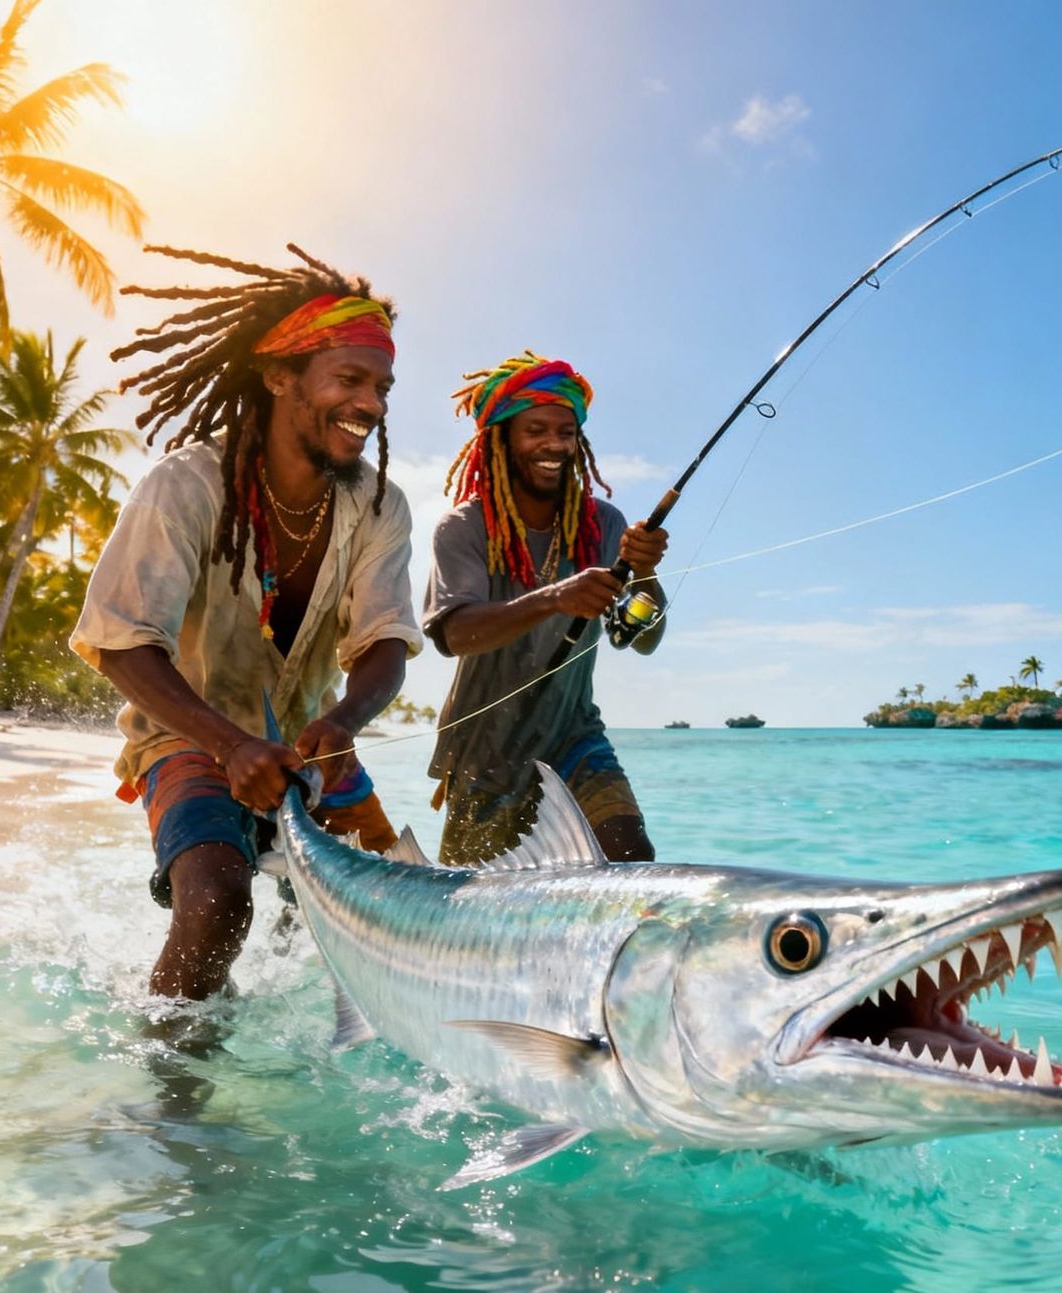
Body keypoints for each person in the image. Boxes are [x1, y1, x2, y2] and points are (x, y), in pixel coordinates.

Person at [70, 243, 421, 998]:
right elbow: (122, 642)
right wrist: (229, 746)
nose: (373, 405)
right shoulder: (185, 484)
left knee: (400, 909)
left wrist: (347, 719)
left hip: (310, 742)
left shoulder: (382, 504)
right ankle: (173, 1104)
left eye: (383, 387)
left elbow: (387, 640)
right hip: (191, 736)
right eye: (350, 380)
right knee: (219, 905)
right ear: (279, 376)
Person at [423, 352, 667, 866]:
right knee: (478, 919)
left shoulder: (603, 523)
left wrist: (645, 573)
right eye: (536, 429)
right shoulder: (464, 527)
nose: (554, 445)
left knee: (628, 860)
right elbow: (453, 634)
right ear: (501, 438)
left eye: (566, 431)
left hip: (575, 738)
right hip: (484, 754)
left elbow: (638, 638)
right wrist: (554, 598)